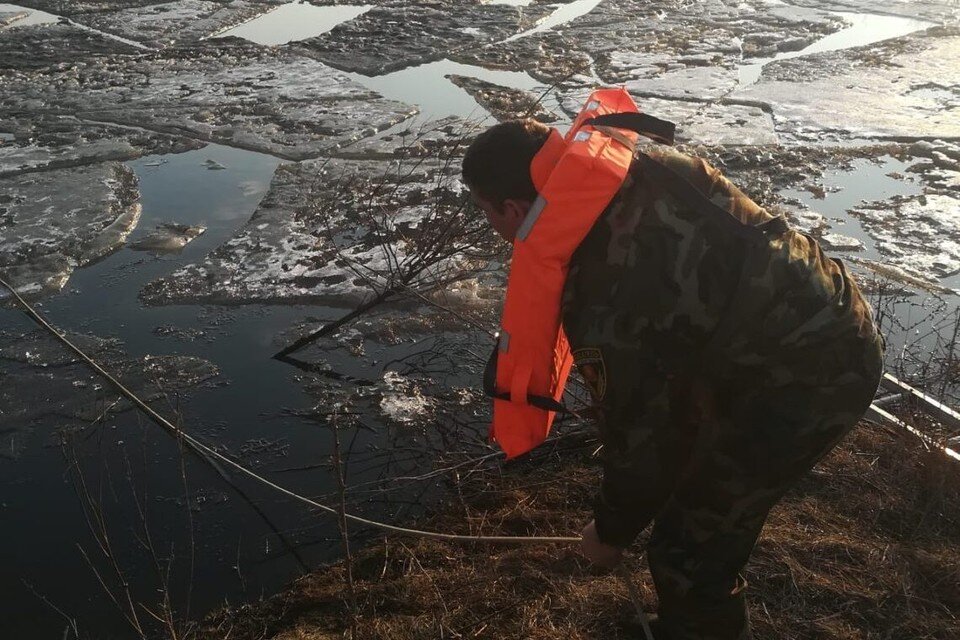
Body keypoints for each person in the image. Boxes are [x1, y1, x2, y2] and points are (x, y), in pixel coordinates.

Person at [461, 117, 884, 640]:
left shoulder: (604, 292)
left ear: (512, 210)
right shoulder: (629, 162)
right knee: (691, 502)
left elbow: (641, 435)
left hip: (810, 378)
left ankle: (698, 625)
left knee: (687, 551)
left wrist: (609, 532)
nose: (493, 226)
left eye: (487, 214)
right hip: (819, 318)